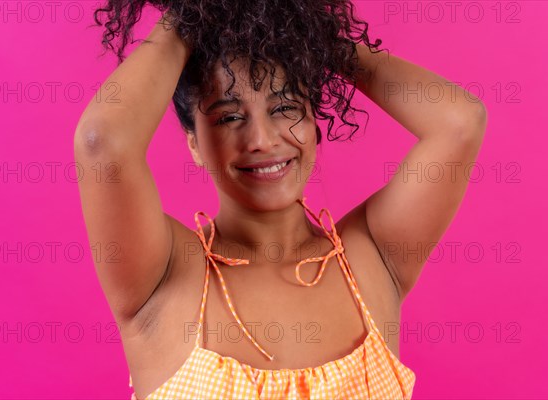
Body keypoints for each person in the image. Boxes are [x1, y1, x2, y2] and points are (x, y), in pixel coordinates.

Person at [75, 1, 487, 399]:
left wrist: (315, 36)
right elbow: (103, 143)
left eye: (285, 107)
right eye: (230, 116)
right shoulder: (161, 275)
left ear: (313, 121)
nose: (263, 140)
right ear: (195, 144)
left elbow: (458, 123)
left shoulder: (373, 257)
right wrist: (194, 11)